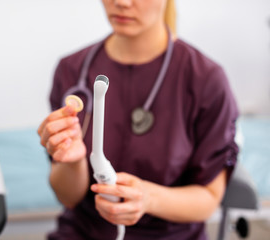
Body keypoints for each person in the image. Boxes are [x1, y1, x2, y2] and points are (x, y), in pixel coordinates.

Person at [37, 0, 239, 239]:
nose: (121, 2)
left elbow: (209, 199)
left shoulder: (205, 80)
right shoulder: (71, 69)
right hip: (84, 231)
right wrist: (73, 162)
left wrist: (149, 198)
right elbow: (67, 197)